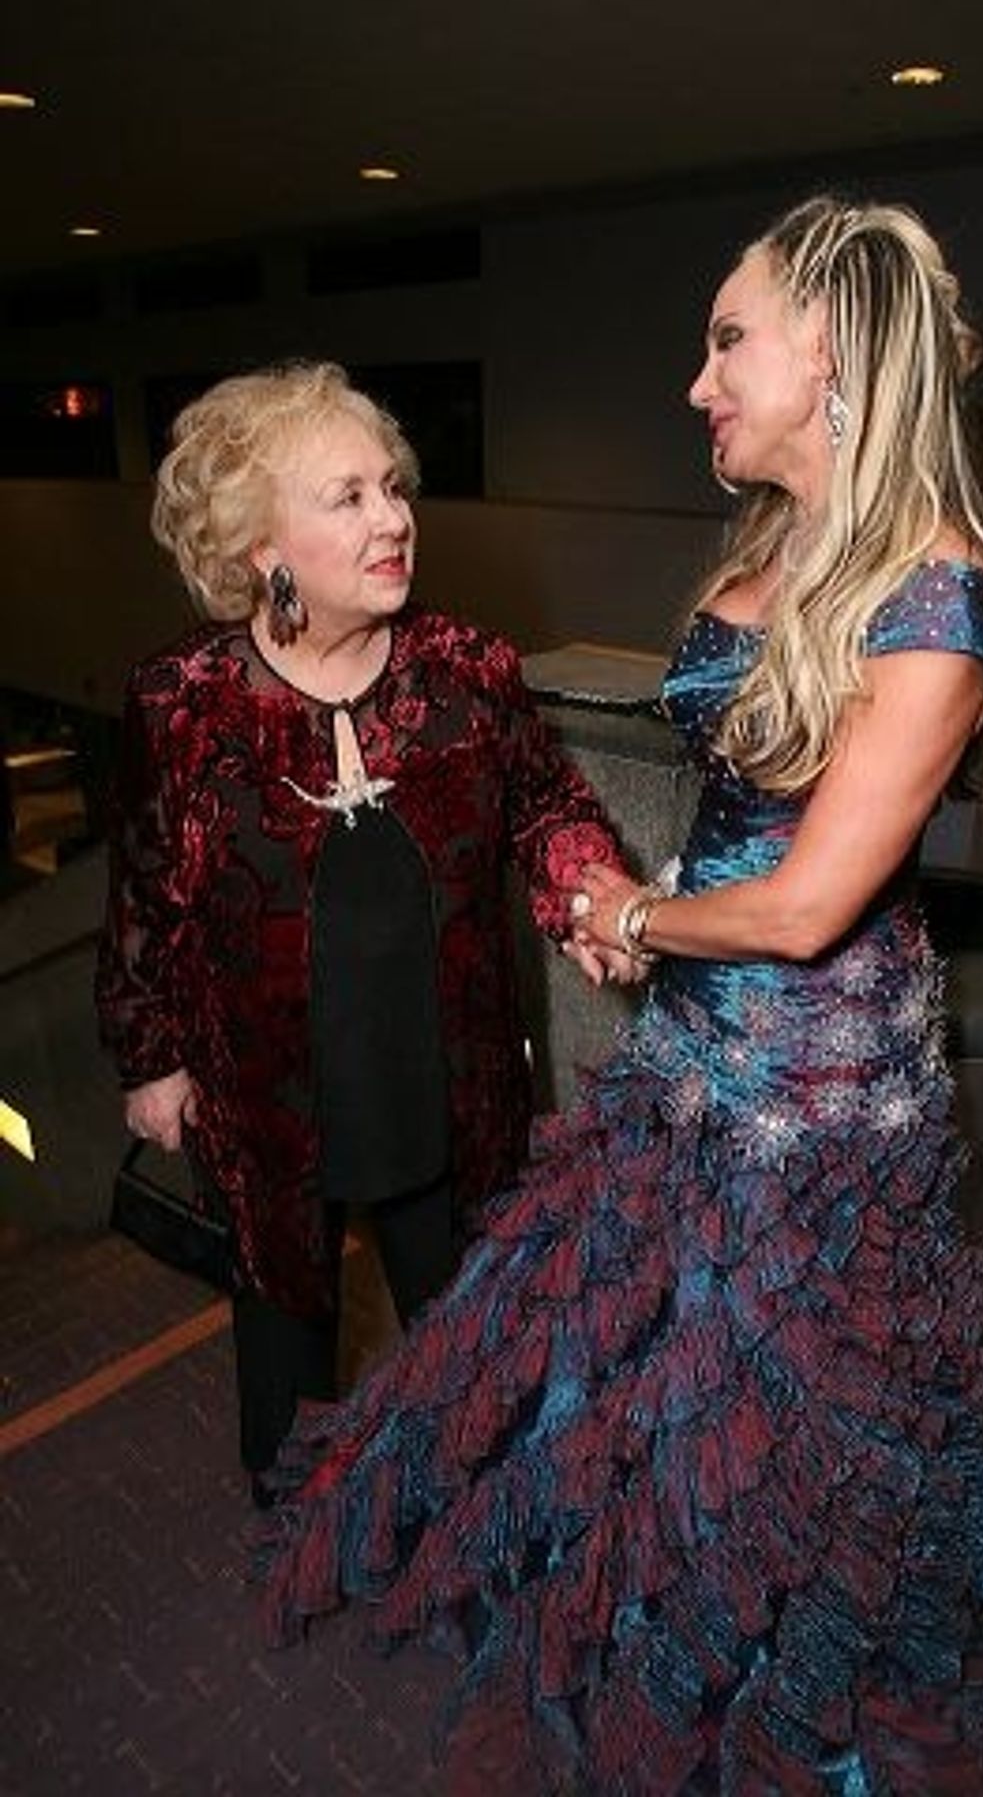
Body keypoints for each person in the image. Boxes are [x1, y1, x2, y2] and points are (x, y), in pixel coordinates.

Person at [257, 201, 983, 1792]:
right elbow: (727, 844)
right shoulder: (770, 553)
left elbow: (803, 905)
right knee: (629, 1361)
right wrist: (632, 928)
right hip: (688, 1045)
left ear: (834, 354)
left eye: (728, 339)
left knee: (772, 1426)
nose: (696, 380)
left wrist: (645, 915)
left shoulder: (944, 593)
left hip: (816, 1103)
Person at [96, 361, 634, 1511]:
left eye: (392, 488)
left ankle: (473, 1512)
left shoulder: (469, 676)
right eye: (347, 497)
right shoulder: (179, 705)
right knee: (284, 1330)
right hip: (270, 1098)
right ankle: (302, 1529)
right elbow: (146, 892)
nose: (394, 519)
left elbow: (548, 807)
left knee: (469, 1327)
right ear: (260, 546)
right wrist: (151, 1055)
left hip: (442, 1082)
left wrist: (587, 888)